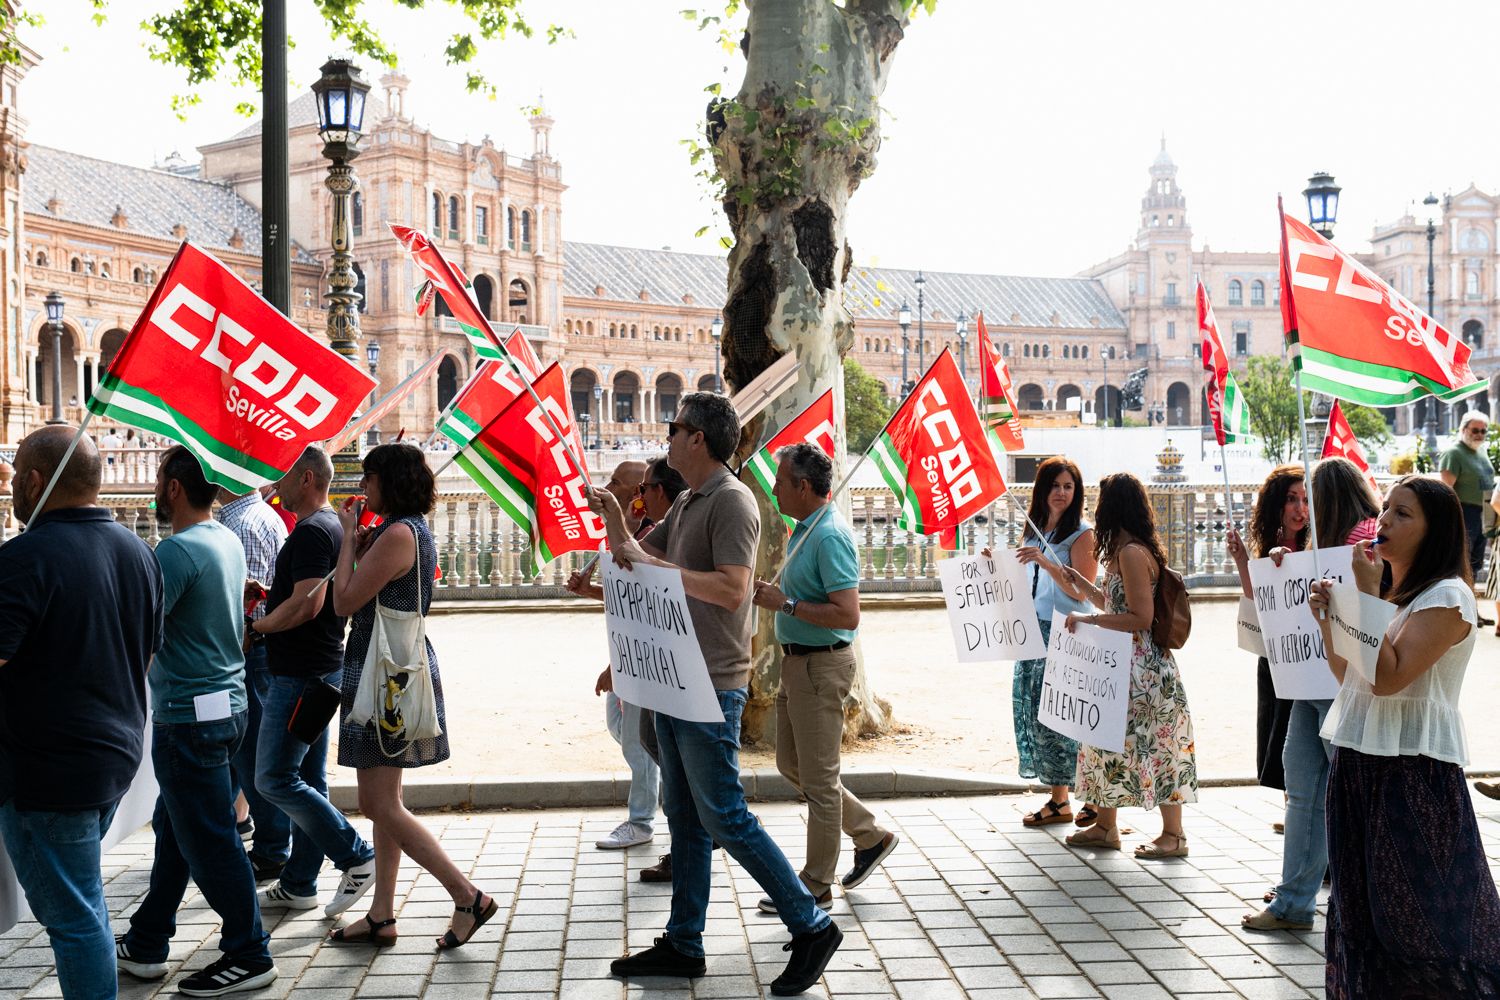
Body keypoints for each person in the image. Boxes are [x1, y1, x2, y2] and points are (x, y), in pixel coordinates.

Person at [589, 392, 842, 996]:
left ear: (697, 438)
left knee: (723, 814)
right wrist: (613, 539)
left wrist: (637, 553)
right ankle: (684, 941)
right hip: (675, 676)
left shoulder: (732, 501)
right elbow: (641, 559)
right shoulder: (687, 499)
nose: (668, 438)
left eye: (674, 429)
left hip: (711, 681)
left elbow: (733, 590)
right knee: (687, 819)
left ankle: (810, 923)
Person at [1308, 476, 1500, 996]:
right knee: (1362, 909)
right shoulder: (1392, 593)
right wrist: (1330, 620)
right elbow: (1350, 677)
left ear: (1433, 530)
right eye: (1385, 509)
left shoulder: (1448, 596)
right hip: (1357, 761)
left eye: (1402, 513)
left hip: (1413, 769)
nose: (1384, 521)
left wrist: (1365, 596)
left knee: (1421, 913)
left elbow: (1391, 679)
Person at [0, 426, 163, 1000]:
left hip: (49, 771)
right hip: (113, 755)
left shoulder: (23, 559)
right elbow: (143, 653)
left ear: (37, 481)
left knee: (73, 920)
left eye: (17, 475)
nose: (12, 485)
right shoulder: (139, 552)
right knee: (83, 900)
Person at [116, 447, 277, 995]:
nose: (155, 489)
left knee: (209, 839)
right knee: (176, 829)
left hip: (189, 718)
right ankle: (147, 939)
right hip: (227, 707)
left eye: (160, 480)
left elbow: (137, 634)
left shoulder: (175, 552)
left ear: (175, 489)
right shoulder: (225, 539)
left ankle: (250, 953)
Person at [328, 443, 496, 950]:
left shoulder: (399, 534)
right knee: (387, 801)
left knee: (376, 802)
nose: (363, 488)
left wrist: (345, 544)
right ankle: (382, 914)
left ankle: (466, 894)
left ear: (388, 482)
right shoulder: (406, 531)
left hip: (383, 675)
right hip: (390, 667)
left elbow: (344, 601)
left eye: (369, 478)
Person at [750, 443, 899, 912]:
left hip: (822, 664)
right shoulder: (803, 530)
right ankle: (870, 835)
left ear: (804, 486)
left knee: (818, 779)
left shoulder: (830, 535)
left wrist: (785, 605)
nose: (773, 488)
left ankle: (816, 885)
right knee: (792, 766)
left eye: (779, 480)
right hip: (798, 664)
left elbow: (848, 614)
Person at [1241, 456, 1378, 932]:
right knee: (1303, 792)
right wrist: (1286, 562)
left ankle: (1358, 903)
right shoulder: (1324, 543)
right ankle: (1295, 903)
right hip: (1311, 686)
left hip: (1344, 687)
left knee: (1341, 796)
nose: (1303, 505)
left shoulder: (1365, 539)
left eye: (1310, 496)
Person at [250, 447, 377, 917]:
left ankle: (357, 855)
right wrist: (272, 596)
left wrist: (256, 627)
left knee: (273, 778)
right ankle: (301, 881)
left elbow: (306, 604)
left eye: (280, 472)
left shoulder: (308, 532)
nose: (273, 480)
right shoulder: (325, 527)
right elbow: (310, 596)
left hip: (300, 674)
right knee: (306, 777)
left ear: (305, 479)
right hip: (323, 669)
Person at [1063, 472, 1198, 858]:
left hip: (1141, 669)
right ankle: (1106, 826)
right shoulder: (1125, 550)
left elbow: (1140, 616)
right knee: (1107, 741)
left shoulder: (1131, 554)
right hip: (1125, 664)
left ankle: (1173, 836)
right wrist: (1083, 587)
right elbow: (1117, 607)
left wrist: (1089, 620)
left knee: (1158, 746)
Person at [1000, 456, 1098, 827]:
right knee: (1041, 714)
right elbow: (1024, 576)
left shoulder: (1082, 533)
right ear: (1042, 490)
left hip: (1066, 629)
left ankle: (1090, 796)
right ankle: (1059, 800)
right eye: (1055, 486)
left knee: (1069, 714)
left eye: (1068, 486)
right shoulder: (1035, 527)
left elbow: (1080, 589)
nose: (1061, 493)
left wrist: (1045, 561)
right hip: (1034, 629)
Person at [567, 459, 659, 852]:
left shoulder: (651, 538)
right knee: (625, 732)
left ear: (637, 497)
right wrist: (590, 592)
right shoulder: (628, 535)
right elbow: (626, 600)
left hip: (643, 655)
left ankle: (641, 820)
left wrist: (616, 666)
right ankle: (667, 804)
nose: (608, 487)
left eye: (617, 483)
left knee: (637, 740)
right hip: (629, 652)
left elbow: (649, 608)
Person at [216, 483, 291, 880]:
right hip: (260, 649)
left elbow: (250, 600)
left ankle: (272, 848)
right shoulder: (256, 516)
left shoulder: (242, 524)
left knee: (251, 749)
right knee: (246, 748)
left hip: (250, 649)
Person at [1227, 464, 1308, 806]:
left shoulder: (1317, 542)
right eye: (1292, 499)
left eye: (1305, 500)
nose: (1300, 509)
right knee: (1277, 731)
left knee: (1298, 734)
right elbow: (1258, 599)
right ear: (1276, 504)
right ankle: (1294, 805)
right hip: (1274, 653)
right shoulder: (1270, 541)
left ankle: (1302, 804)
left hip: (1305, 655)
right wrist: (1242, 558)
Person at [1437, 409, 1494, 582]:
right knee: (1461, 562)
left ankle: (1471, 603)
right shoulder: (1454, 453)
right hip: (1464, 512)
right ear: (1463, 430)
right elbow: (1446, 490)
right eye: (1475, 430)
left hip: (1484, 513)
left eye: (1483, 431)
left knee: (1475, 563)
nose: (1479, 435)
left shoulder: (1481, 451)